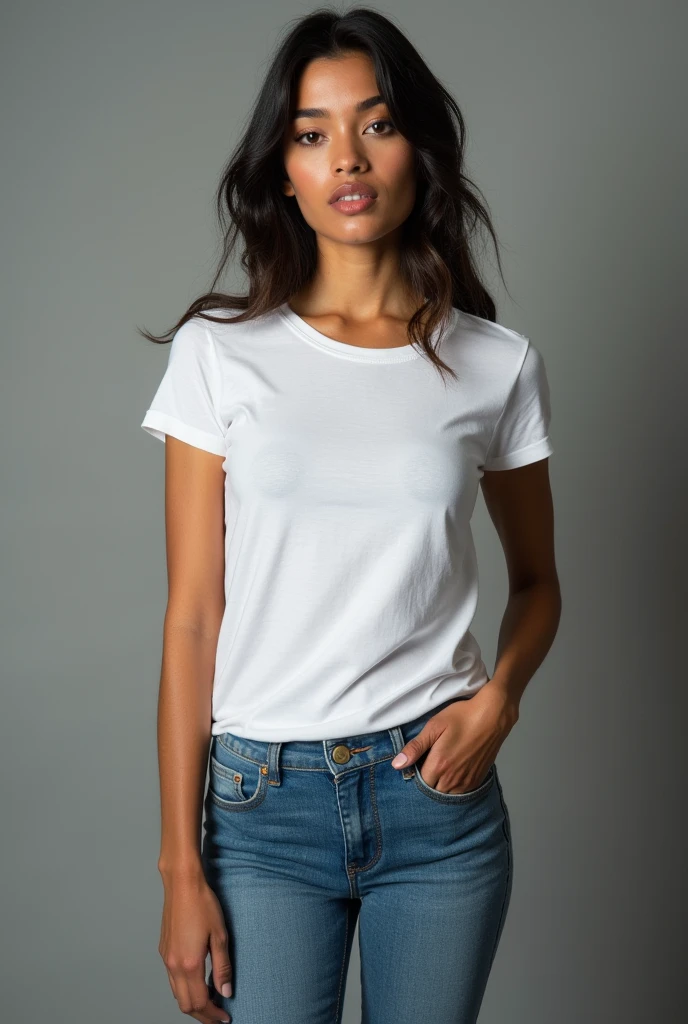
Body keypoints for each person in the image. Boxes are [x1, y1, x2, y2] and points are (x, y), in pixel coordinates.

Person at [139, 8, 561, 1024]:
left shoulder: (493, 363)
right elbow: (192, 616)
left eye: (374, 124)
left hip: (438, 803)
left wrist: (499, 699)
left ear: (418, 145)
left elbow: (539, 582)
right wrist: (179, 871)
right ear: (281, 168)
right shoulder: (219, 355)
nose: (346, 157)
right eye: (312, 132)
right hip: (260, 808)